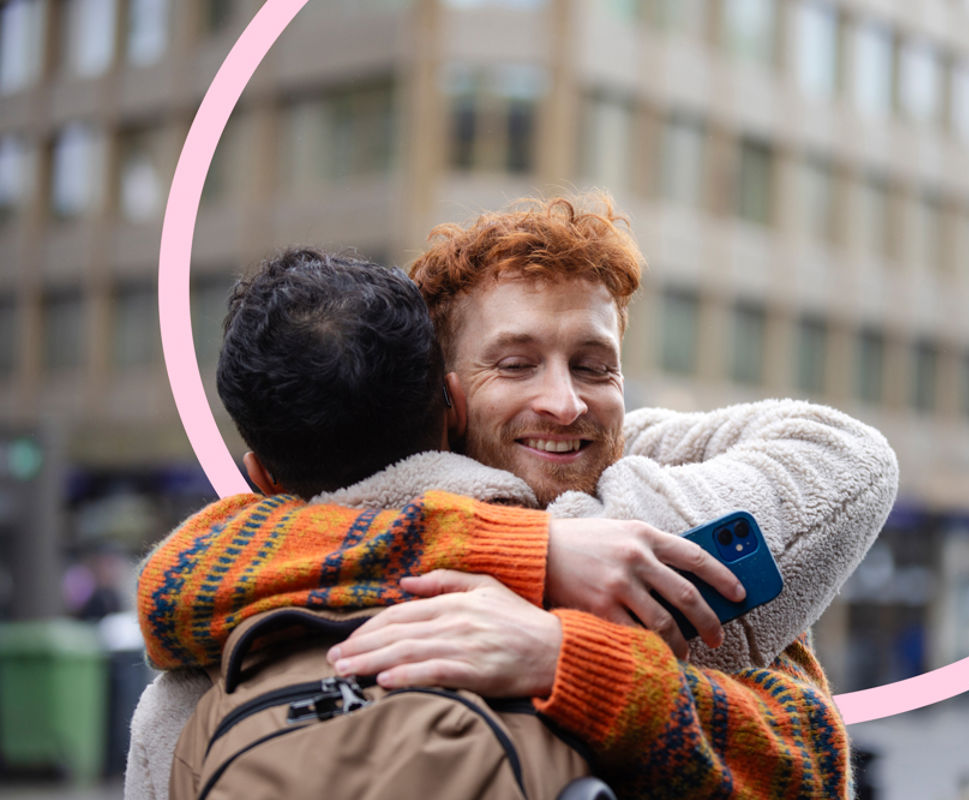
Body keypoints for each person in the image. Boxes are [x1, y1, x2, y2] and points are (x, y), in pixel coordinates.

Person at [128, 195, 899, 798]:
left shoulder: (269, 568)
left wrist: (567, 654)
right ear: (449, 402)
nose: (565, 403)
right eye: (518, 364)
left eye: (596, 367)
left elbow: (171, 582)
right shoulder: (639, 538)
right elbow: (806, 758)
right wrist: (540, 559)